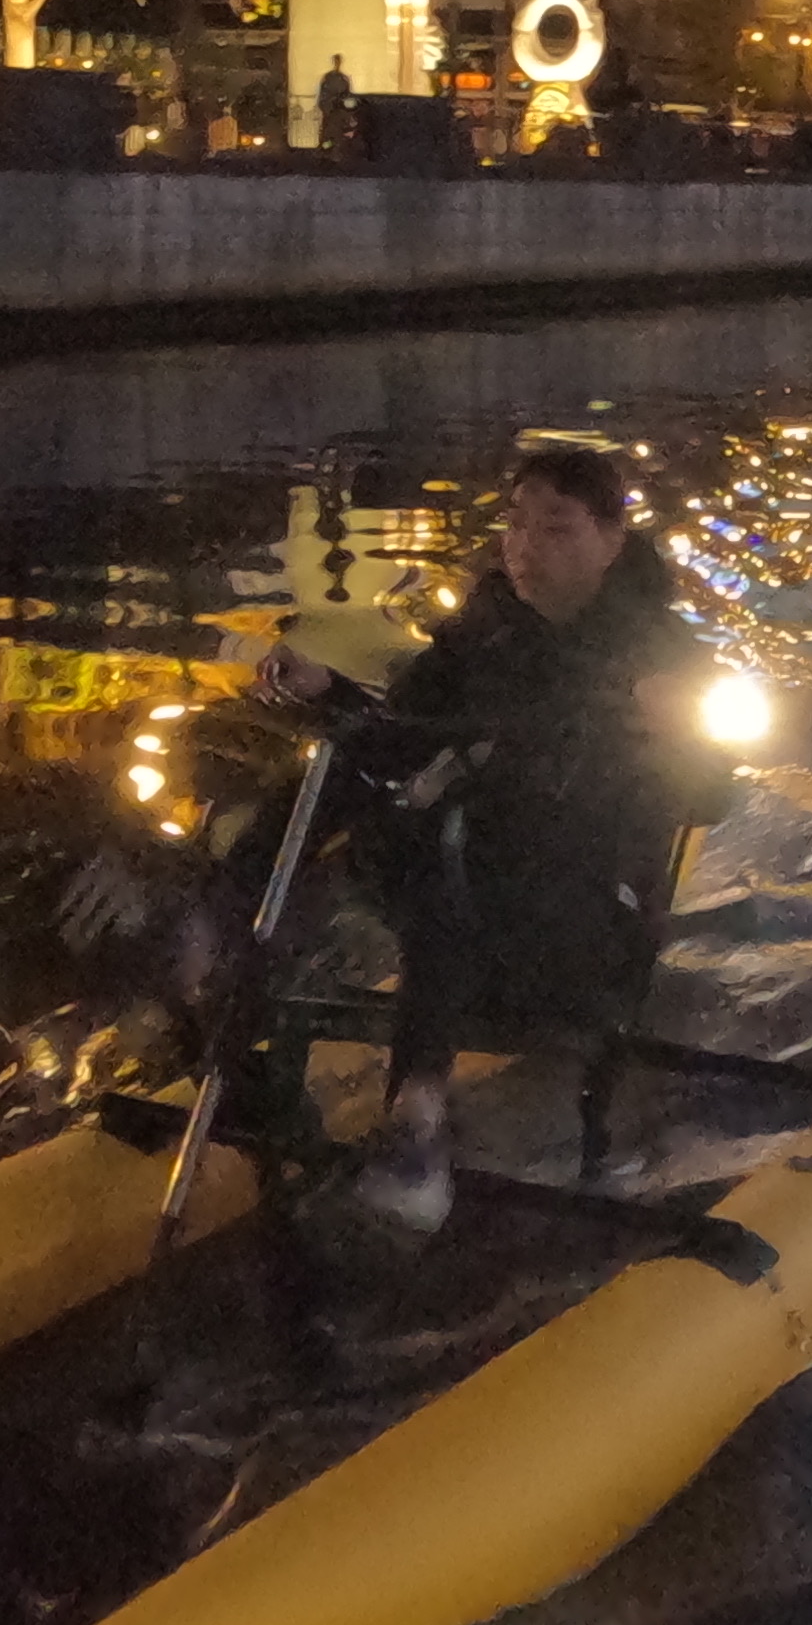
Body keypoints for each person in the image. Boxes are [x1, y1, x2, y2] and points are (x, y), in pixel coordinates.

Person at [273, 432, 726, 1237]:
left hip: (584, 927)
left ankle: (417, 1114)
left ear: (611, 541)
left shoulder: (660, 655)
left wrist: (679, 731)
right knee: (342, 781)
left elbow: (714, 794)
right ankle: (239, 982)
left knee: (455, 840)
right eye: (516, 525)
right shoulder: (481, 633)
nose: (525, 550)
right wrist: (325, 692)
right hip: (470, 907)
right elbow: (399, 731)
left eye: (556, 529)